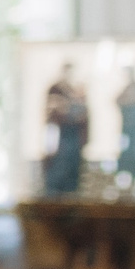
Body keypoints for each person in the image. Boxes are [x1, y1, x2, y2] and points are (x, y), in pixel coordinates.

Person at [45, 62, 90, 194]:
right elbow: (53, 109)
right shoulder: (56, 89)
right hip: (60, 134)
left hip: (74, 135)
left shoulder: (76, 90)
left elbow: (82, 113)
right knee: (59, 166)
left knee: (72, 167)